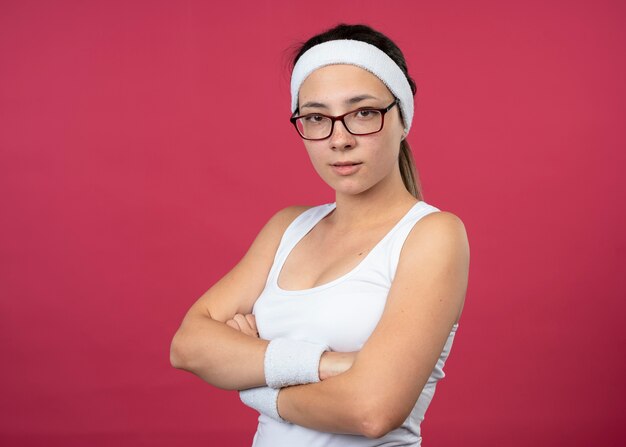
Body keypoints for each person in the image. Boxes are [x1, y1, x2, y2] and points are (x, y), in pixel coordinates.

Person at [170, 23, 470, 446]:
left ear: (402, 119)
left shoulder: (432, 235)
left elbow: (371, 410)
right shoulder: (286, 228)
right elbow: (188, 346)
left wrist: (258, 386)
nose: (339, 139)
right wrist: (331, 365)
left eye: (363, 112)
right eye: (316, 117)